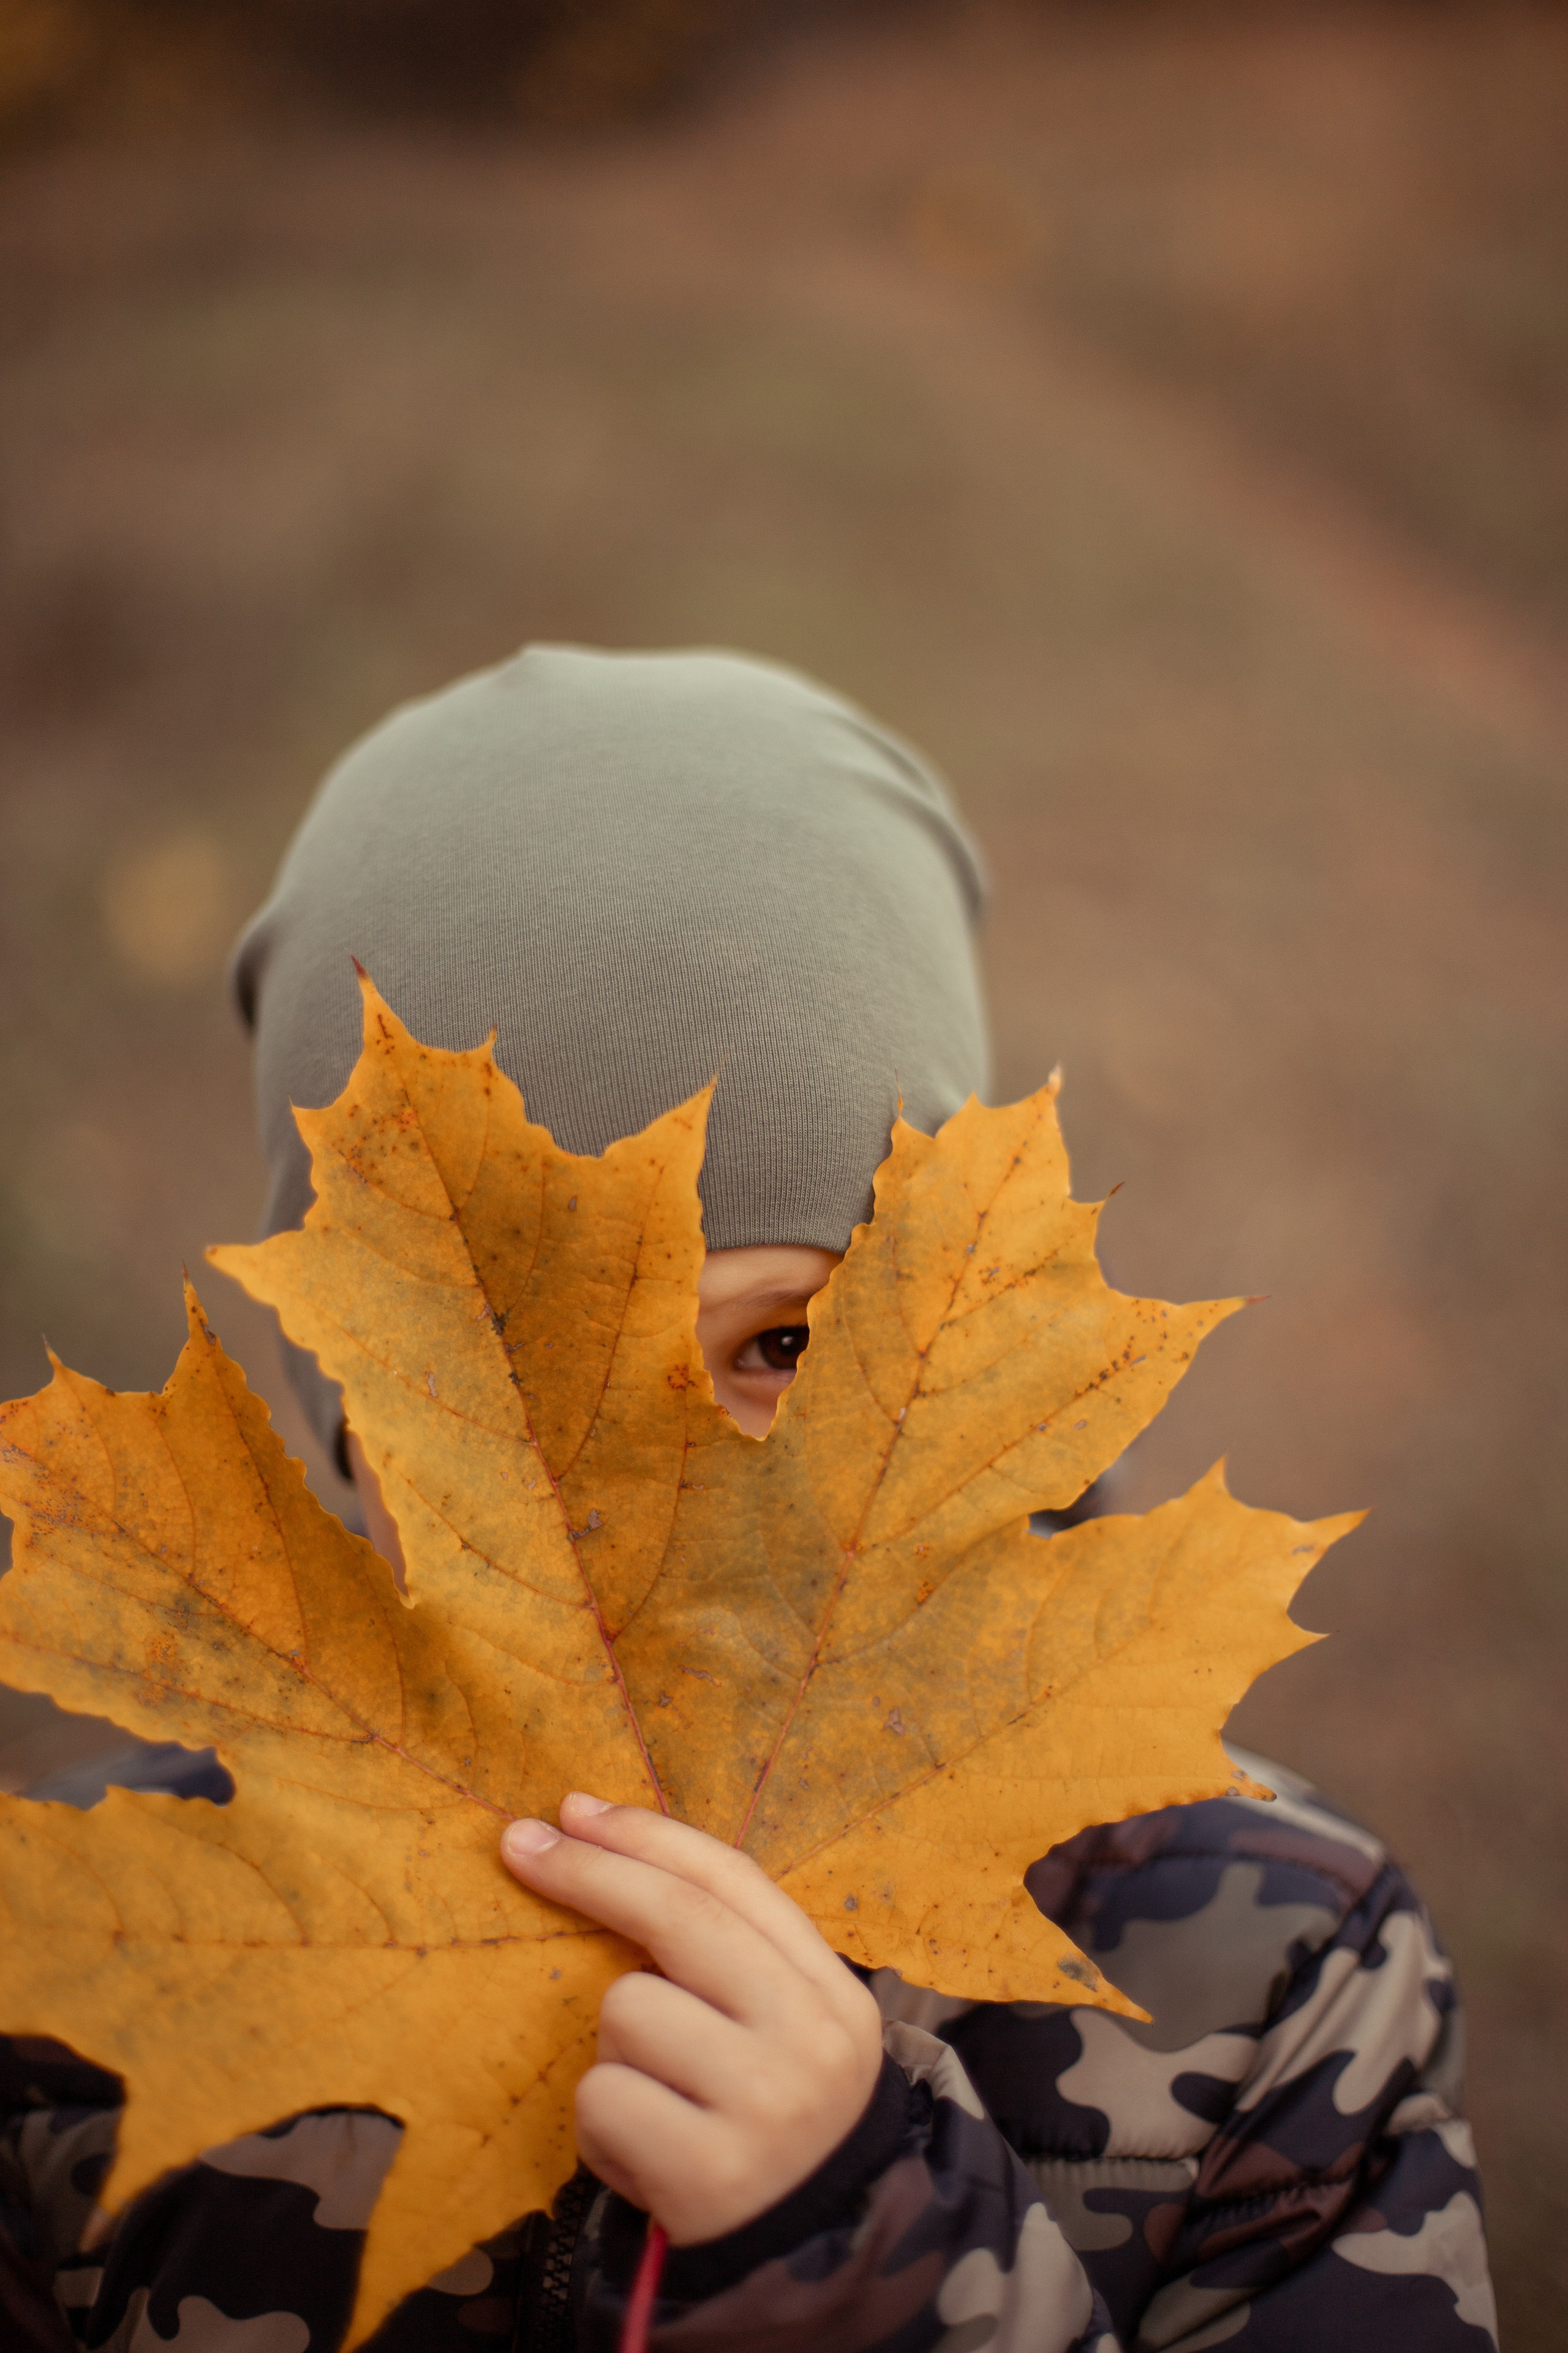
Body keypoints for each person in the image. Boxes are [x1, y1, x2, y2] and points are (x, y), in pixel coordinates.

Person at [0, 649, 1496, 2351]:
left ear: (954, 1355)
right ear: (334, 1426)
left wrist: (869, 2259)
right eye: (521, 1406)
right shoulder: (83, 1986)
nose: (664, 1532)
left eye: (783, 1338)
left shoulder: (1269, 1970)